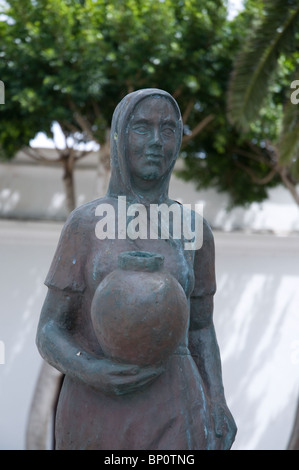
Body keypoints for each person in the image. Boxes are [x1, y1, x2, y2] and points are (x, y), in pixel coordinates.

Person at [36, 88, 237, 450]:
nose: (157, 140)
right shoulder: (85, 224)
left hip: (175, 401)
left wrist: (217, 399)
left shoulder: (193, 229)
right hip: (94, 404)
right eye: (142, 128)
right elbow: (49, 330)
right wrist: (90, 370)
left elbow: (202, 327)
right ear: (119, 138)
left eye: (169, 128)